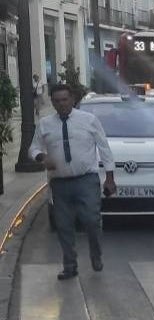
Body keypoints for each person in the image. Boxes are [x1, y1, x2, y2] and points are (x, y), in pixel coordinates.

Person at [29, 82, 116, 279]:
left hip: (86, 180)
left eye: (65, 100)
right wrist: (42, 158)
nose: (61, 104)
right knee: (63, 226)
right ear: (52, 102)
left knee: (92, 221)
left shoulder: (89, 120)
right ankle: (70, 265)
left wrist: (110, 178)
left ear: (73, 100)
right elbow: (33, 149)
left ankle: (96, 254)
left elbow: (104, 149)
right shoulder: (45, 124)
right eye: (57, 101)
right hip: (59, 183)